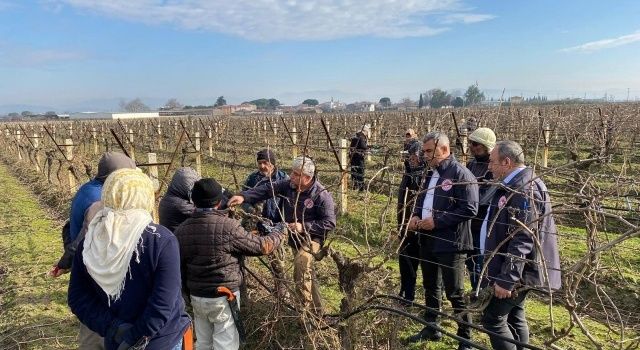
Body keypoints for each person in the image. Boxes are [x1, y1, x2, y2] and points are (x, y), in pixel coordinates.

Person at [68, 168, 190, 350]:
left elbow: (78, 297)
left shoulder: (91, 241)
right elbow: (163, 303)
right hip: (160, 341)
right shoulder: (162, 240)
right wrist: (136, 337)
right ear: (145, 197)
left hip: (116, 342)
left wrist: (114, 328)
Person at [175, 178, 287, 350]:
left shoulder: (182, 229)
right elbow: (262, 246)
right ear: (220, 201)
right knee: (225, 344)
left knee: (204, 343)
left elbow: (179, 267)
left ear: (193, 201)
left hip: (197, 296)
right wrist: (280, 232)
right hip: (223, 296)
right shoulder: (228, 227)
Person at [227, 156, 336, 314]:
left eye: (296, 174)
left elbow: (329, 223)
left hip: (313, 237)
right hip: (295, 237)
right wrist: (244, 196)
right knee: (306, 272)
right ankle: (318, 311)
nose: (291, 176)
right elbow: (266, 189)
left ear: (307, 177)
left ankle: (303, 311)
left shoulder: (321, 195)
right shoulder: (290, 186)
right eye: (292, 172)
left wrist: (303, 226)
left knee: (301, 262)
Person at [50, 152, 136, 350]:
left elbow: (69, 226)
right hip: (99, 271)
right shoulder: (100, 200)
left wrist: (68, 260)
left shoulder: (87, 189)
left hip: (88, 266)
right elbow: (85, 235)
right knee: (100, 329)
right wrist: (66, 261)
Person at [481, 140, 561, 350]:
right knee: (515, 316)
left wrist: (507, 279)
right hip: (519, 270)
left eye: (492, 161)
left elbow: (523, 238)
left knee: (493, 319)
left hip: (519, 272)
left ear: (506, 162)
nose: (488, 166)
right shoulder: (517, 183)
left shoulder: (523, 189)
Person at [407, 132, 478, 350]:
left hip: (451, 243)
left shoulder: (461, 174)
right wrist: (416, 215)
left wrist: (437, 222)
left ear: (445, 150)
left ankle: (465, 338)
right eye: (425, 151)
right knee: (430, 285)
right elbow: (422, 198)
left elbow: (470, 208)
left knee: (455, 292)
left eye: (429, 151)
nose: (425, 155)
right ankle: (432, 326)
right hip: (427, 239)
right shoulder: (431, 173)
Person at [465, 127, 496, 291]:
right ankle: (474, 291)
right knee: (470, 262)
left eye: (476, 144)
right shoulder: (471, 164)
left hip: (484, 224)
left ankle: (480, 294)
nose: (472, 146)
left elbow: (484, 197)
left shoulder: (492, 168)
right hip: (469, 222)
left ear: (486, 145)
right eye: (471, 143)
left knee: (481, 263)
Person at [397, 128, 425, 302]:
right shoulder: (408, 175)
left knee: (429, 267)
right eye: (409, 157)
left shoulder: (427, 177)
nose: (411, 160)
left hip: (423, 228)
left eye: (414, 157)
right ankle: (406, 293)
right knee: (406, 260)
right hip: (405, 225)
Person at [159, 167, 201, 232]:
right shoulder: (181, 205)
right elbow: (204, 214)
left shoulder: (167, 198)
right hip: (179, 240)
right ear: (186, 184)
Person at [349, 124, 370, 191]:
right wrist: (369, 148)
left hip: (353, 157)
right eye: (367, 132)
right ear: (365, 131)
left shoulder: (355, 136)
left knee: (354, 172)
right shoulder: (361, 137)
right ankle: (361, 188)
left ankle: (355, 186)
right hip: (358, 157)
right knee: (360, 172)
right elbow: (363, 147)